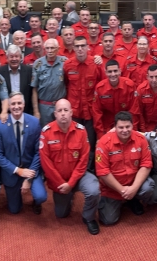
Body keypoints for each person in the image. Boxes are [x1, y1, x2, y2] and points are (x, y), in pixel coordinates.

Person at [40, 99, 101, 235]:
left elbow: (84, 160)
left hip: (79, 177)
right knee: (61, 214)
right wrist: (62, 183)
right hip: (59, 181)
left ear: (71, 113)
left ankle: (88, 217)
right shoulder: (46, 132)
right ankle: (69, 196)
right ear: (55, 114)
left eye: (66, 110)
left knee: (94, 190)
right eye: (60, 111)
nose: (63, 114)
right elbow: (46, 163)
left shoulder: (81, 131)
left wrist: (71, 183)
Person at [94, 111, 154, 225]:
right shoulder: (103, 143)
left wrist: (134, 188)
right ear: (115, 127)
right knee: (108, 221)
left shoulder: (141, 139)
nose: (125, 130)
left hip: (134, 184)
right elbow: (103, 172)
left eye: (128, 126)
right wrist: (122, 190)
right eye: (121, 127)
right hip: (112, 189)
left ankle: (133, 199)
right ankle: (123, 199)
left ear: (132, 126)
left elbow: (146, 164)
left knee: (148, 188)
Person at [0, 93, 47, 214]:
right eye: (13, 104)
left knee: (41, 196)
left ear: (24, 104)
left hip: (31, 169)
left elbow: (39, 152)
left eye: (19, 103)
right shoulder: (0, 125)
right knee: (14, 210)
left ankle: (36, 202)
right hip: (11, 172)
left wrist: (28, 177)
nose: (16, 106)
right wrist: (18, 170)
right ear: (9, 106)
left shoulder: (34, 122)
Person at [63, 36, 101, 163]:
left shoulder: (95, 64)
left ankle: (89, 170)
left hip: (91, 112)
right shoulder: (67, 65)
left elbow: (101, 86)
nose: (80, 49)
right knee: (74, 143)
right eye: (77, 46)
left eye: (82, 46)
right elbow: (66, 84)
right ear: (73, 48)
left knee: (90, 142)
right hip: (74, 112)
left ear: (87, 47)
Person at [91, 60, 140, 138]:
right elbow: (96, 113)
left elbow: (134, 111)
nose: (113, 74)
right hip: (107, 128)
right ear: (105, 72)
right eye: (110, 71)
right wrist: (100, 135)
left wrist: (132, 132)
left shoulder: (129, 86)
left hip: (125, 127)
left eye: (115, 71)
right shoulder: (100, 88)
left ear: (120, 71)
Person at [31, 38, 68, 126]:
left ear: (58, 49)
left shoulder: (65, 62)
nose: (50, 51)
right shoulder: (38, 64)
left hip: (60, 106)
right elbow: (34, 89)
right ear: (44, 49)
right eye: (47, 48)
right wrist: (36, 111)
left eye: (52, 48)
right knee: (45, 132)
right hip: (44, 107)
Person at [0, 44, 34, 115]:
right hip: (7, 113)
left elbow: (31, 93)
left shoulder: (29, 71)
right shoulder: (0, 71)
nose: (14, 59)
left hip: (25, 111)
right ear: (7, 58)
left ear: (21, 57)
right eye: (11, 56)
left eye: (16, 56)